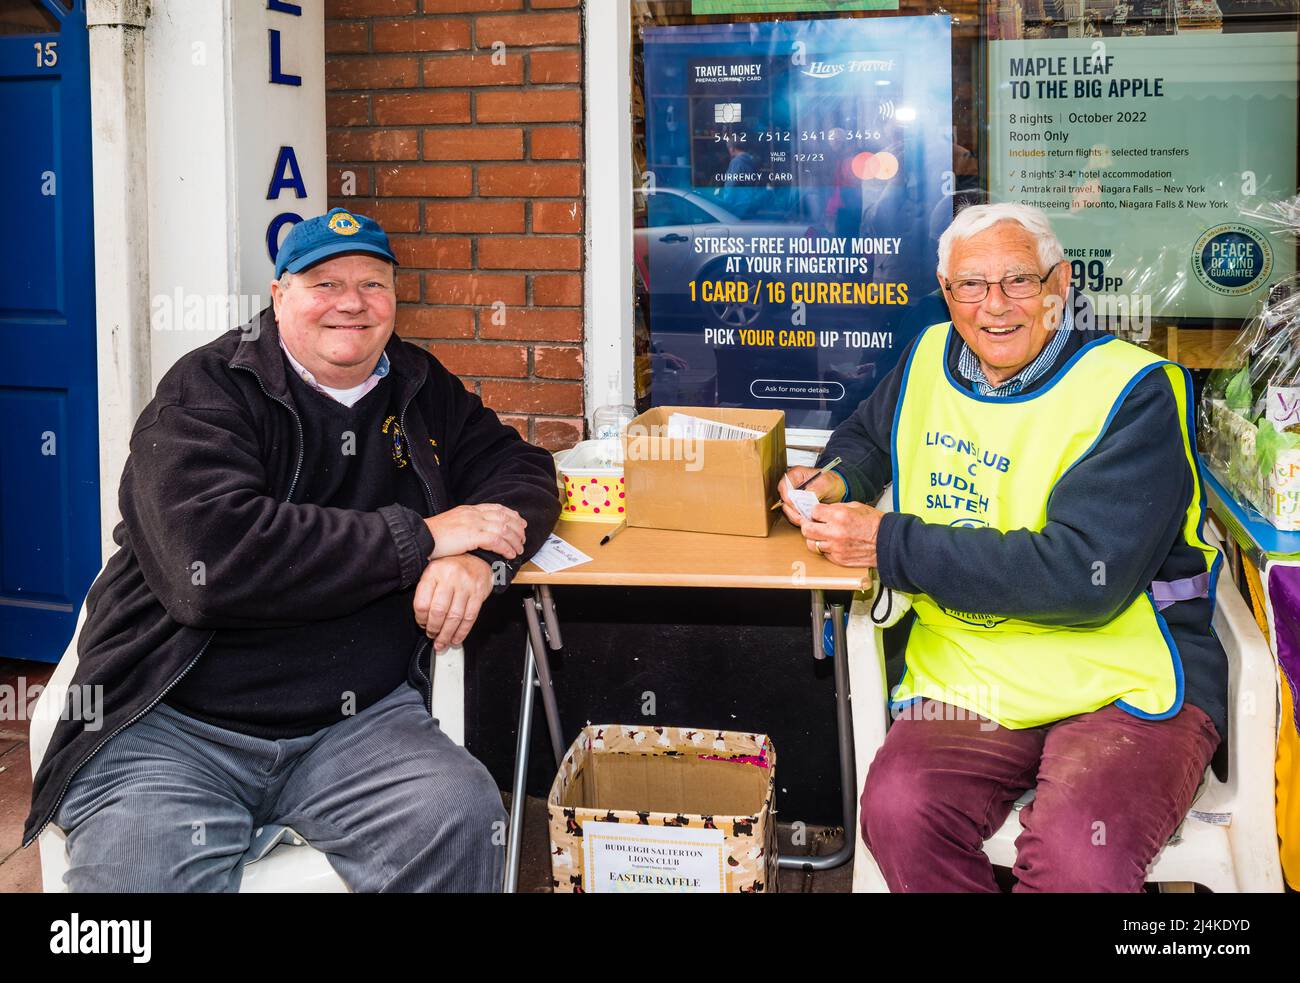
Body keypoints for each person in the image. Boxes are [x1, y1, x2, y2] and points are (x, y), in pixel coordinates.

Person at [24, 208, 562, 892]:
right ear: (278, 297)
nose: (351, 302)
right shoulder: (204, 393)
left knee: (458, 815)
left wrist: (476, 560)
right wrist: (423, 535)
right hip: (172, 726)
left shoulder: (419, 386)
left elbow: (523, 470)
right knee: (136, 882)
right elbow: (212, 567)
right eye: (323, 282)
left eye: (373, 283)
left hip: (354, 723)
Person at [778, 202, 1225, 892]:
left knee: (1082, 855)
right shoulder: (930, 354)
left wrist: (888, 541)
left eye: (1018, 281)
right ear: (945, 291)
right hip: (970, 669)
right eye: (970, 286)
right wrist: (837, 477)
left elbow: (1085, 576)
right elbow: (870, 435)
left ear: (1060, 283)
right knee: (900, 812)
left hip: (1126, 675)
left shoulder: (1135, 390)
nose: (995, 306)